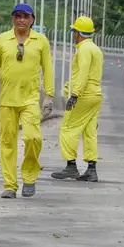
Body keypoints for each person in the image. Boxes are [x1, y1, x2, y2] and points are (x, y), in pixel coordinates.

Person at [0, 3, 55, 198]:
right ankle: (10, 185)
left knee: (33, 138)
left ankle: (29, 178)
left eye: (25, 16)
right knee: (7, 144)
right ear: (13, 19)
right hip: (7, 101)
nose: (21, 20)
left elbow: (48, 69)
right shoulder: (3, 41)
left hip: (30, 100)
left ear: (32, 19)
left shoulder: (40, 41)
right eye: (17, 16)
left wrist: (49, 96)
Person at [51, 16, 104, 182]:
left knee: (68, 128)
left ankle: (71, 166)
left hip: (84, 95)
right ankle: (91, 169)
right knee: (89, 131)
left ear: (78, 33)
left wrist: (75, 95)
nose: (73, 34)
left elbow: (83, 73)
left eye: (73, 31)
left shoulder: (84, 50)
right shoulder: (95, 49)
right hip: (95, 95)